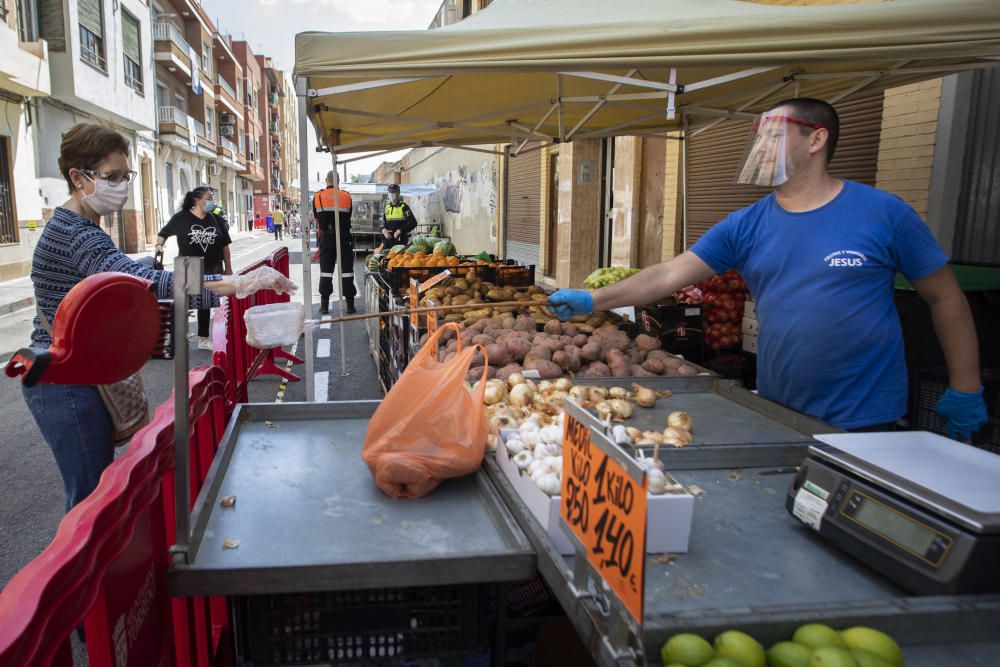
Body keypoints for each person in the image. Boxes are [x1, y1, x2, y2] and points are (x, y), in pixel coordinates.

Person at [549, 98, 988, 438]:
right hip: (779, 408)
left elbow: (944, 296)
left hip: (866, 416)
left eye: (773, 135)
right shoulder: (746, 224)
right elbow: (667, 275)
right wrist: (594, 298)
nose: (762, 146)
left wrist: (965, 386)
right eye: (759, 137)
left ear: (816, 140)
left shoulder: (883, 213)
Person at [23, 123, 295, 510]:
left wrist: (229, 281)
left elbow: (135, 275)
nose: (122, 185)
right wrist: (234, 283)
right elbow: (147, 280)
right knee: (89, 505)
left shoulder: (85, 228)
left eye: (125, 175)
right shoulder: (73, 233)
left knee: (97, 495)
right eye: (111, 177)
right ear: (78, 178)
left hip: (78, 372)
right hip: (62, 380)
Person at [156, 186, 233, 351]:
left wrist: (228, 268)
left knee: (205, 304)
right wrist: (159, 246)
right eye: (209, 197)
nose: (212, 201)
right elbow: (163, 233)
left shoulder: (216, 218)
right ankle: (173, 337)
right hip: (189, 266)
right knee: (183, 303)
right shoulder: (181, 218)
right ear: (198, 200)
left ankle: (203, 339)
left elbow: (225, 245)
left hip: (212, 267)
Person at [312, 170, 357, 314]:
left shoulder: (318, 196)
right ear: (338, 181)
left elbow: (316, 216)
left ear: (326, 180)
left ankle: (324, 305)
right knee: (347, 271)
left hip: (326, 238)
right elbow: (349, 214)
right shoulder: (346, 196)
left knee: (326, 271)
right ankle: (350, 305)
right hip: (343, 236)